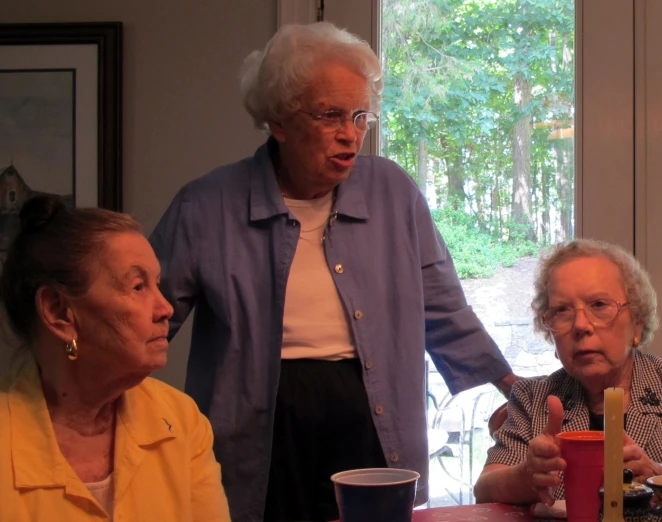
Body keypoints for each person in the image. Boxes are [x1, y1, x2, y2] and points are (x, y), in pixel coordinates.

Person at [149, 21, 518, 521]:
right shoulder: (207, 205)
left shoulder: (393, 192)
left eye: (360, 115)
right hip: (258, 423)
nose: (351, 134)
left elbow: (443, 306)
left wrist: (516, 389)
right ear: (279, 120)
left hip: (371, 412)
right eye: (330, 116)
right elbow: (145, 315)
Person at [0, 195, 230, 521]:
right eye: (138, 286)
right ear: (59, 311)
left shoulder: (181, 422)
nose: (165, 308)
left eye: (157, 284)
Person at [473, 238, 662, 507]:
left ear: (637, 323)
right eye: (561, 310)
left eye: (599, 305)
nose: (581, 325)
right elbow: (485, 488)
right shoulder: (533, 399)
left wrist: (658, 474)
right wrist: (526, 475)